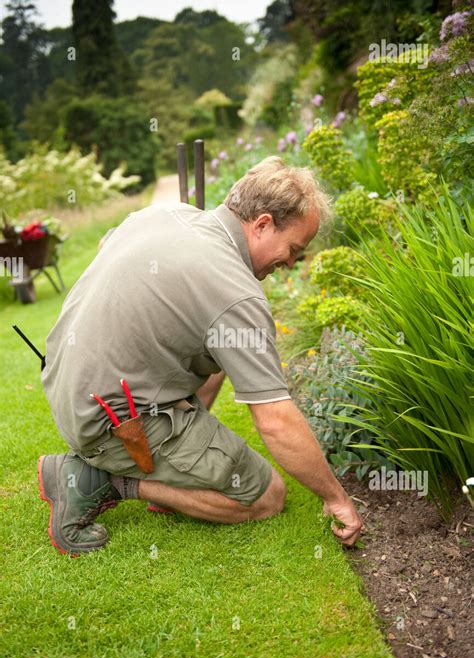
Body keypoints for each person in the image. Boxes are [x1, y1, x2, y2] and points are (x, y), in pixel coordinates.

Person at [38, 156, 363, 556]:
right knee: (265, 496)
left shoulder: (166, 214)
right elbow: (275, 419)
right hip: (110, 423)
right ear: (261, 224)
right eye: (293, 249)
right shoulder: (235, 293)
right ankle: (101, 480)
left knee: (221, 349)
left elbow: (109, 247)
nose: (292, 263)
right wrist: (336, 498)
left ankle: (178, 473)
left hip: (65, 385)